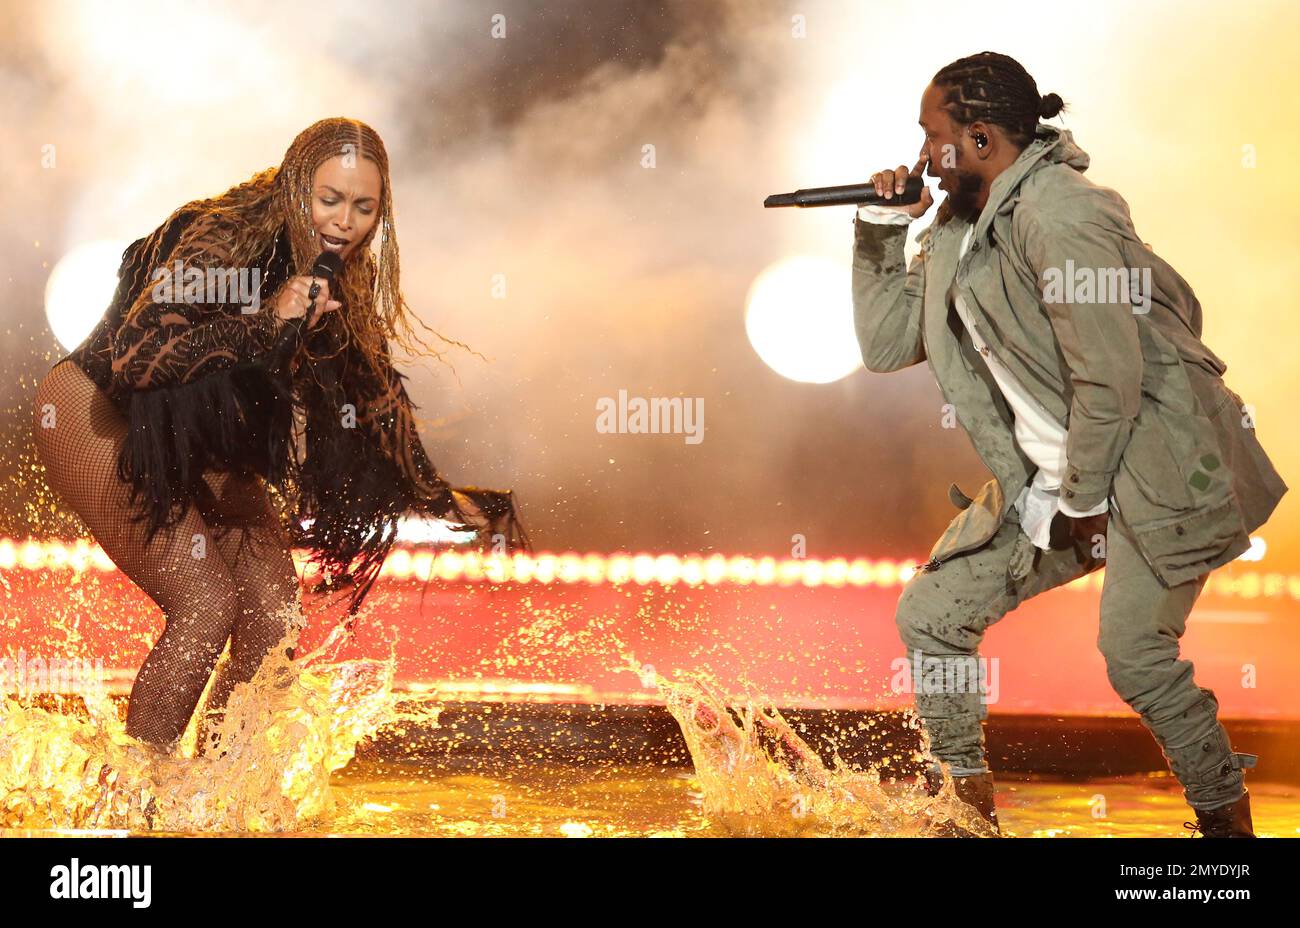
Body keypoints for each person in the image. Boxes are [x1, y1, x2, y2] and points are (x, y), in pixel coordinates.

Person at [853, 52, 1286, 836]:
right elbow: (887, 345)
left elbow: (1110, 380)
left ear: (979, 138)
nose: (922, 155)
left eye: (933, 136)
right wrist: (882, 227)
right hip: (1059, 483)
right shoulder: (957, 227)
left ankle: (1227, 832)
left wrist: (1085, 504)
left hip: (1154, 470)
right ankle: (962, 809)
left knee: (1135, 656)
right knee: (933, 614)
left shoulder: (1063, 213)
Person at [32, 117, 527, 757]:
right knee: (207, 606)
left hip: (204, 436)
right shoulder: (219, 236)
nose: (344, 222)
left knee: (273, 618)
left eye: (363, 207)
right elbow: (135, 359)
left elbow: (375, 400)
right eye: (330, 200)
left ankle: (212, 793)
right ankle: (135, 804)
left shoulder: (341, 276)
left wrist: (440, 499)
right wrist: (269, 318)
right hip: (99, 411)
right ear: (297, 188)